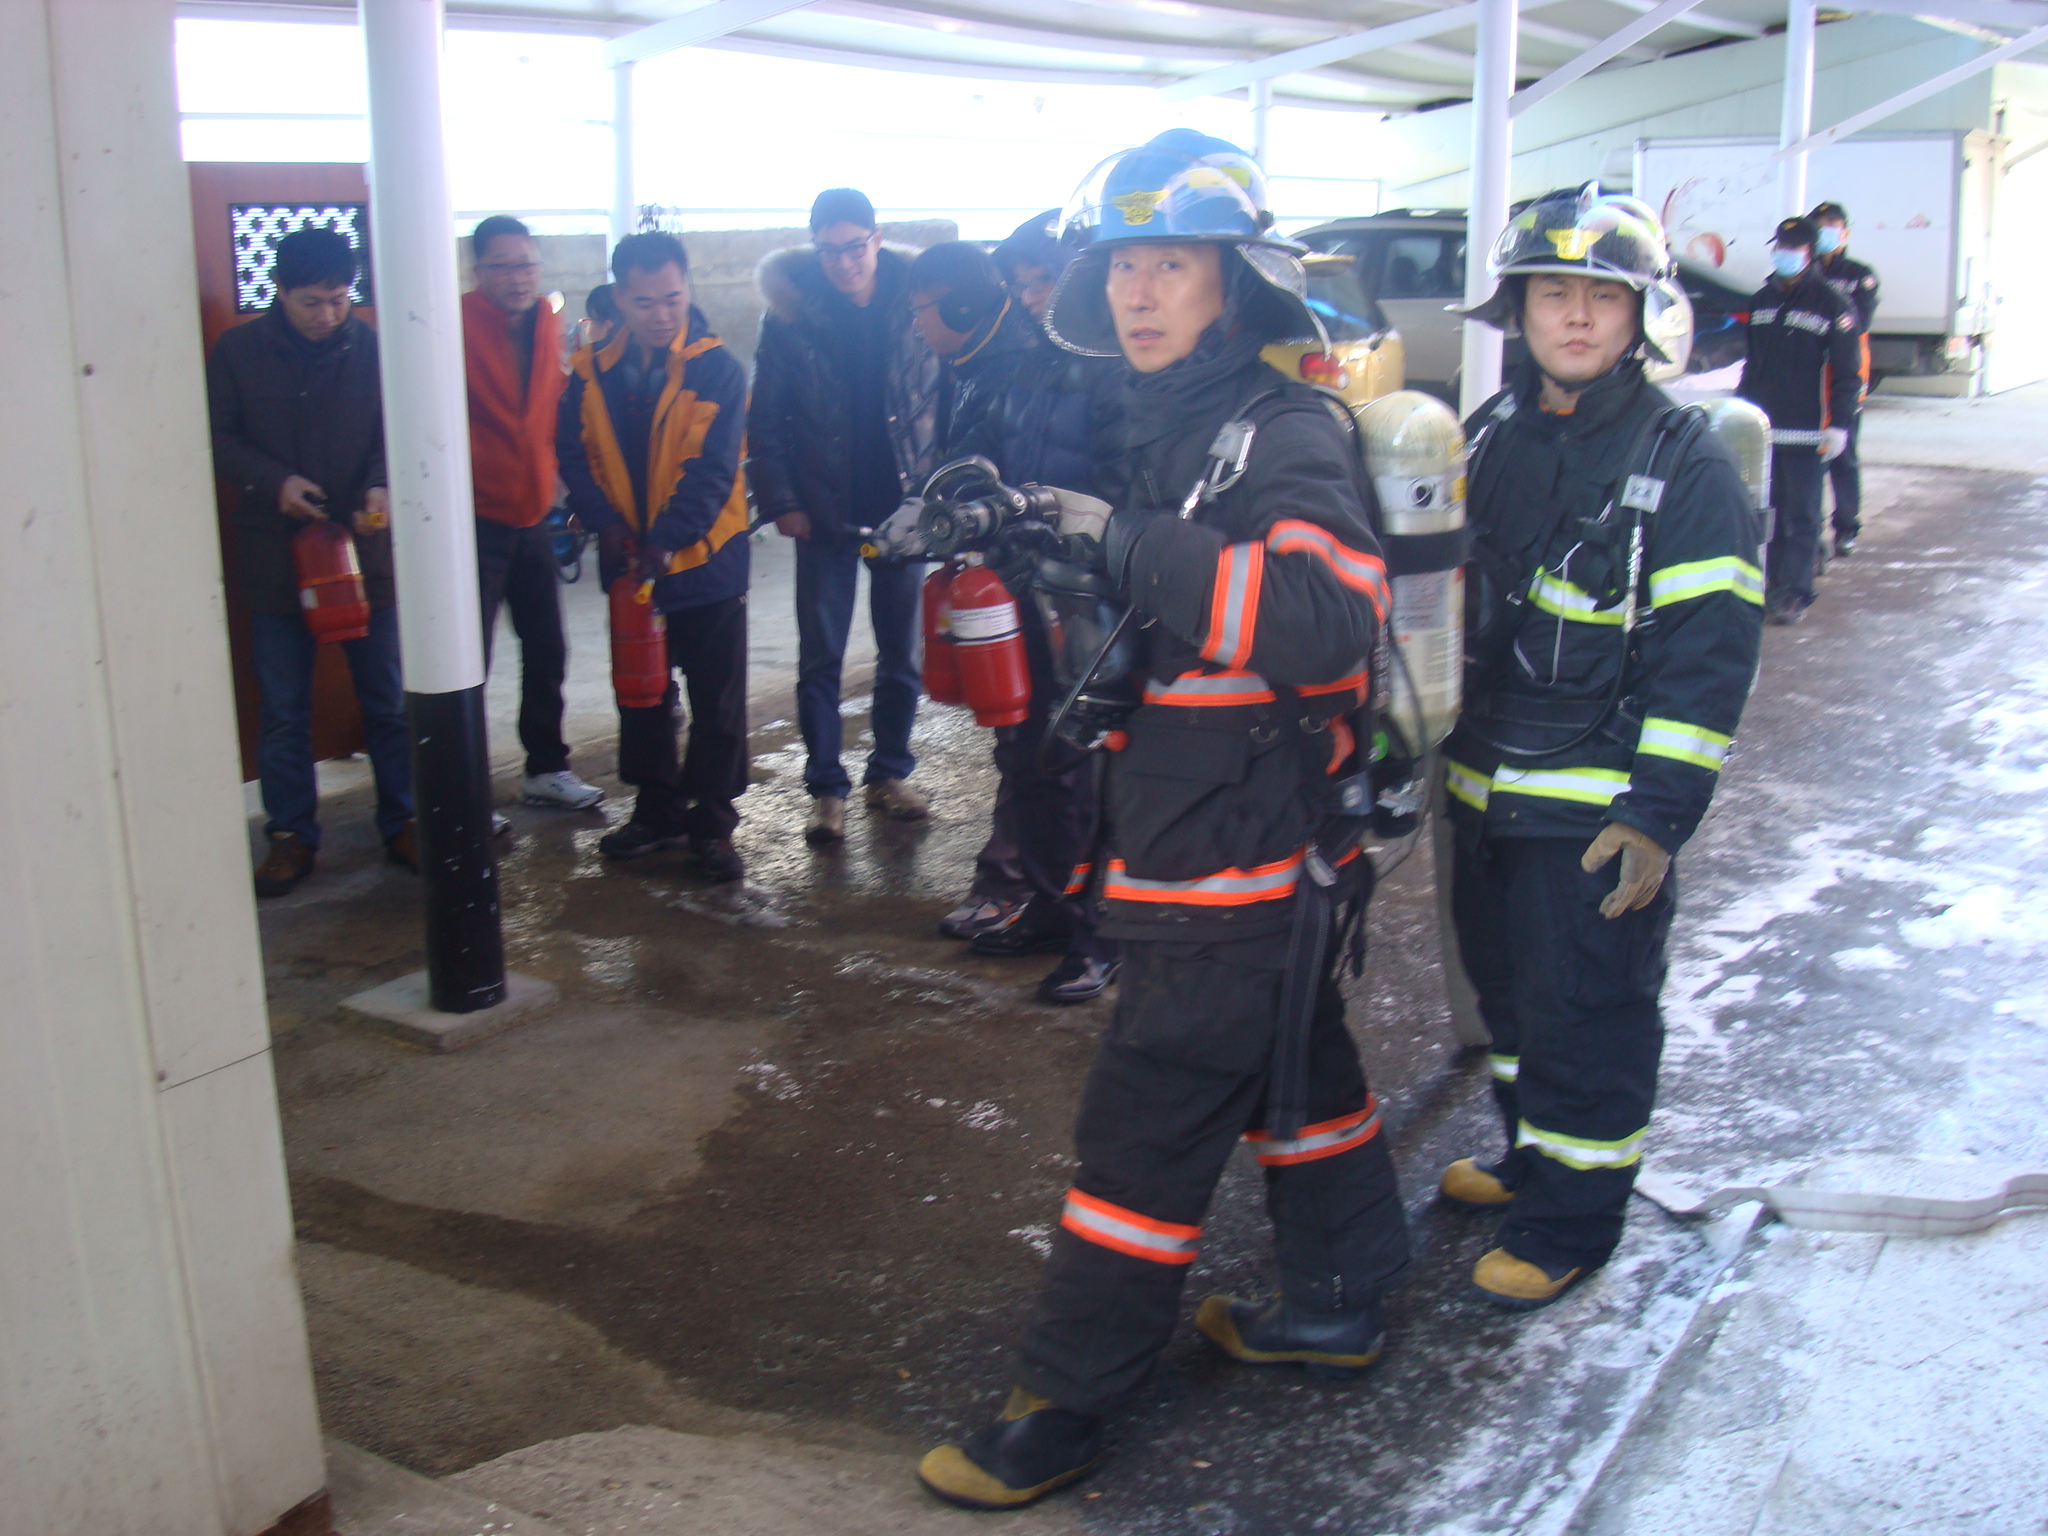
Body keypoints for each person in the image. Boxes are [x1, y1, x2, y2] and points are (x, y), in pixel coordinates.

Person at [917, 133, 1411, 1510]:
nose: (1138, 292)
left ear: (1232, 284)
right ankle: (1338, 1301)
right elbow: (1168, 609)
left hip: (1236, 855)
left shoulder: (1282, 428)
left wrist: (1121, 538)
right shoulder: (1160, 419)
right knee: (1295, 1068)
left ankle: (1065, 1403)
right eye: (1125, 264)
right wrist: (1043, 536)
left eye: (1172, 265)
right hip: (1217, 833)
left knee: (1145, 1125)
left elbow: (1323, 620)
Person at [1439, 186, 1763, 1310]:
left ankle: (1571, 1222)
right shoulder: (1489, 434)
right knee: (1511, 1002)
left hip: (1593, 808)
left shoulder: (1687, 462)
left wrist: (1656, 816)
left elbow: (1708, 661)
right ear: (1517, 309)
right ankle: (1532, 1154)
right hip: (1482, 788)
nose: (1574, 317)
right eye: (1551, 293)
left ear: (1640, 316)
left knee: (1588, 1012)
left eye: (1600, 296)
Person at [905, 229, 1124, 1005]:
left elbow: (1129, 492)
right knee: (1029, 760)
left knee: (1093, 768)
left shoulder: (1120, 372)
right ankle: (1051, 906)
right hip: (1025, 586)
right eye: (1025, 283)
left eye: (1046, 281)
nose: (1034, 297)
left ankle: (1102, 938)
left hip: (1098, 600)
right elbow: (980, 462)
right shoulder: (1027, 368)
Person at [207, 226, 414, 897]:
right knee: (283, 708)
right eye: (311, 302)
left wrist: (380, 484)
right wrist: (275, 484)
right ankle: (291, 835)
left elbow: (397, 430)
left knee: (389, 699)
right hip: (277, 554)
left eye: (339, 299)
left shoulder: (373, 348)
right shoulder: (239, 352)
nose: (328, 315)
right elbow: (218, 435)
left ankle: (406, 820)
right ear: (279, 291)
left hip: (365, 551)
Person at [557, 232, 752, 882]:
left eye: (672, 298)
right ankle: (656, 811)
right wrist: (608, 526)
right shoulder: (590, 371)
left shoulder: (718, 370)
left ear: (687, 288)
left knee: (716, 700)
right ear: (619, 298)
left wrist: (667, 538)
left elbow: (713, 469)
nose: (662, 314)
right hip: (629, 562)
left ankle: (713, 825)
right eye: (645, 302)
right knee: (641, 692)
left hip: (704, 560)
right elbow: (573, 455)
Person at [748, 188, 940, 845]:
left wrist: (942, 496)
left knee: (901, 652)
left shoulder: (916, 308)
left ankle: (889, 774)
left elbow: (944, 398)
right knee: (821, 658)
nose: (844, 263)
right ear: (815, 249)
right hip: (823, 513)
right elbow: (765, 419)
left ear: (877, 240)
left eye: (855, 247)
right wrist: (782, 501)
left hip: (903, 510)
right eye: (829, 251)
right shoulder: (791, 317)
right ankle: (826, 789)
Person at [462, 215, 605, 814]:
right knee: (467, 661)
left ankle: (545, 769)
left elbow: (556, 411)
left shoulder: (549, 323)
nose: (518, 278)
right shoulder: (452, 326)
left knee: (547, 648)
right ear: (477, 270)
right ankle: (464, 790)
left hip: (533, 517)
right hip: (471, 521)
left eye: (526, 265)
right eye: (502, 266)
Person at [1738, 216, 1860, 624]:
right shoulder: (1762, 300)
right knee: (1766, 515)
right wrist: (1742, 412)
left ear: (1809, 253)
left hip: (1809, 431)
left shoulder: (1832, 303)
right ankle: (1772, 586)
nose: (1784, 254)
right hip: (1765, 431)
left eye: (1792, 248)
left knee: (1802, 516)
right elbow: (1752, 365)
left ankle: (1795, 593)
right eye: (1781, 247)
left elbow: (1847, 373)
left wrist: (1840, 424)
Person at [1808, 201, 1880, 558]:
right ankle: (1810, 530)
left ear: (1845, 233)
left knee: (1844, 454)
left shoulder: (1859, 275)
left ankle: (1846, 528)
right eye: (1819, 227)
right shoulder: (1803, 272)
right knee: (1809, 460)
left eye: (1831, 227)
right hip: (1809, 379)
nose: (1825, 234)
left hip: (1845, 377)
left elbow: (1857, 322)